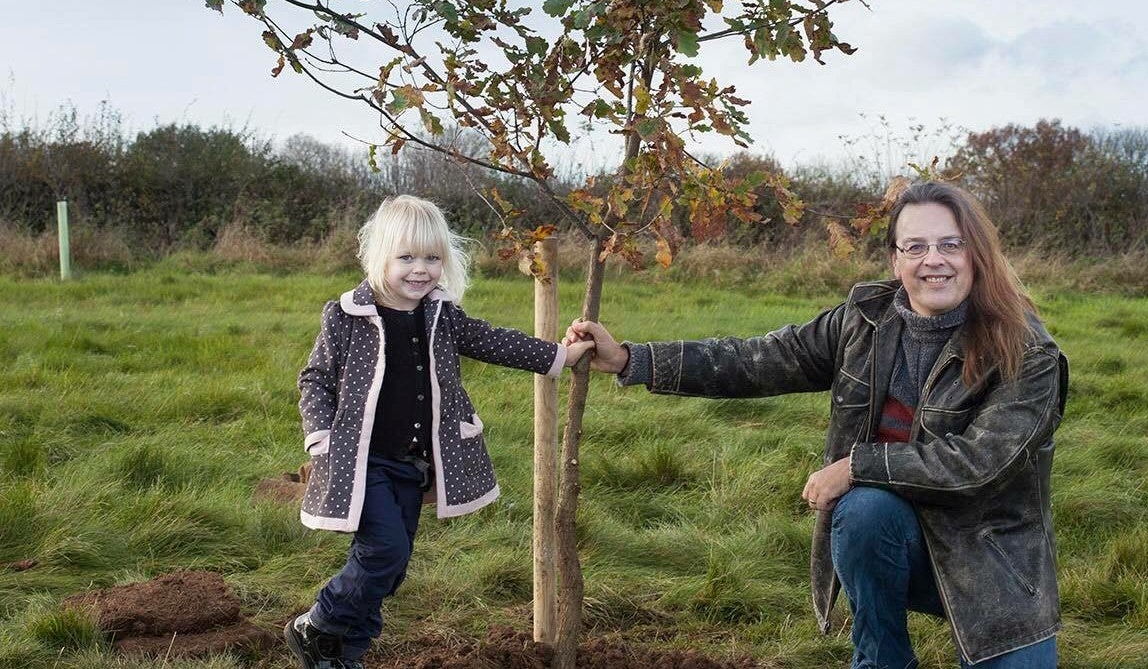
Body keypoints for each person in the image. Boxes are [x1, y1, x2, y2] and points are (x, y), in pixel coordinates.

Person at [566, 181, 1068, 669]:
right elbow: (759, 359)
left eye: (950, 244)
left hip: (990, 564)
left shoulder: (1027, 351)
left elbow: (978, 464)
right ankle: (881, 660)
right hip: (892, 539)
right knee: (864, 510)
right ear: (895, 260)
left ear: (976, 253)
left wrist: (857, 464)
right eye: (915, 246)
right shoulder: (865, 319)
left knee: (862, 490)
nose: (932, 259)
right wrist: (632, 358)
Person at [286, 195, 592, 669]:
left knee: (392, 564)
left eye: (432, 258)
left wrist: (558, 356)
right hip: (361, 460)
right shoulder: (346, 315)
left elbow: (493, 341)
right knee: (383, 551)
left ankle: (342, 654)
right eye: (406, 257)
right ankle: (319, 623)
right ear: (379, 257)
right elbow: (315, 377)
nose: (420, 269)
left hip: (412, 463)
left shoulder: (440, 315)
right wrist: (320, 437)